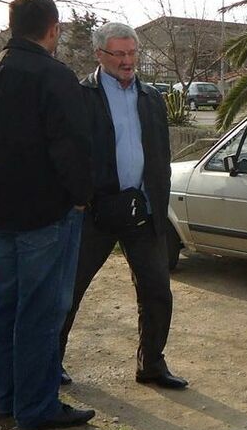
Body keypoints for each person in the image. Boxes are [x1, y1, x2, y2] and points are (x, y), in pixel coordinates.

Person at [0, 0, 95, 430]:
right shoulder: (54, 75)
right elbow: (71, 144)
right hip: (44, 213)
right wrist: (81, 195)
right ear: (53, 29)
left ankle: (10, 396)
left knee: (6, 305)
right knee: (41, 311)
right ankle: (37, 405)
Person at [59, 22, 187, 390]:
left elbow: (160, 153)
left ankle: (152, 365)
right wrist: (81, 198)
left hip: (142, 211)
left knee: (157, 292)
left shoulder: (151, 96)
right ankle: (50, 362)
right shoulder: (81, 95)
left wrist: (157, 198)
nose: (127, 61)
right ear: (99, 55)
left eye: (132, 53)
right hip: (94, 212)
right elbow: (70, 153)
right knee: (68, 291)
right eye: (119, 54)